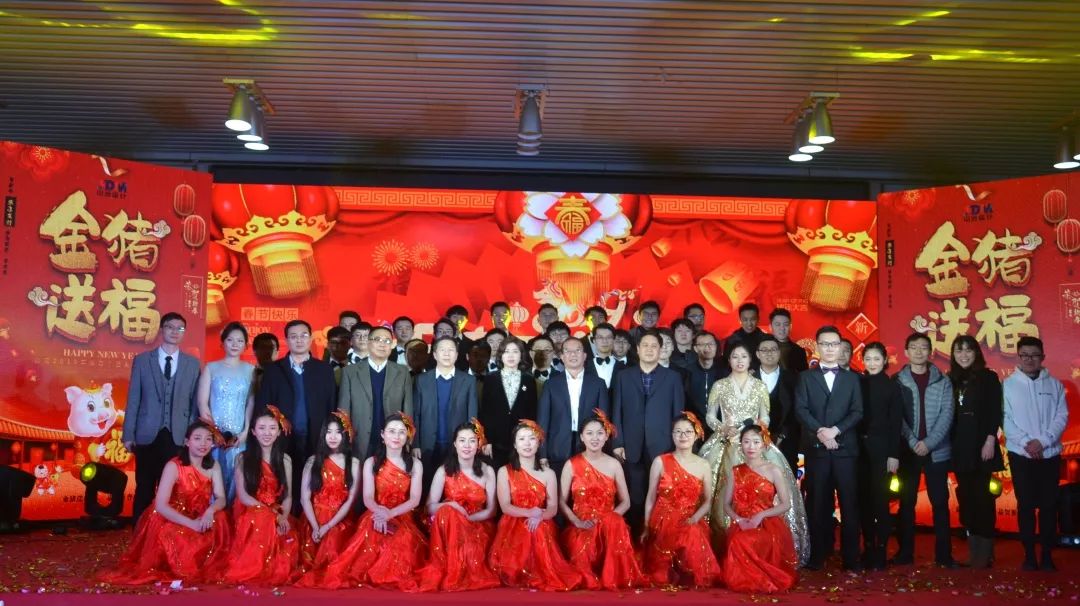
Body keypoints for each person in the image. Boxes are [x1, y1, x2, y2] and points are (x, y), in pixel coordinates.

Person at [698, 342, 808, 563]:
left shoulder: (759, 386)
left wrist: (755, 429)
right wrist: (722, 428)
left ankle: (764, 544)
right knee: (718, 488)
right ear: (728, 360)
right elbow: (710, 415)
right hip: (726, 440)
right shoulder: (720, 385)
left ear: (751, 360)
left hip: (754, 440)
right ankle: (722, 546)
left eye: (744, 357)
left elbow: (765, 416)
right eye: (734, 357)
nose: (739, 361)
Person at [98, 420, 230, 585]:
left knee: (222, 519)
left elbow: (221, 498)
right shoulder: (173, 466)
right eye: (197, 438)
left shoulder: (213, 466)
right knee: (174, 535)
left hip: (200, 514)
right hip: (172, 516)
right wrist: (191, 524)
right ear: (187, 442)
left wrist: (210, 512)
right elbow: (161, 505)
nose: (203, 443)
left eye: (208, 439)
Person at [323, 413, 427, 590]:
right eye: (391, 431)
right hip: (375, 512)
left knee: (402, 542)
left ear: (408, 436)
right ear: (382, 435)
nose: (396, 436)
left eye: (402, 432)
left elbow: (415, 499)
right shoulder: (371, 462)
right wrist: (380, 513)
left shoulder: (416, 464)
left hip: (402, 514)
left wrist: (390, 514)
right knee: (370, 535)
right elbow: (368, 497)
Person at [794, 325, 863, 572]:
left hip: (846, 450)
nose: (830, 348)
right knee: (817, 504)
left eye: (834, 344)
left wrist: (836, 430)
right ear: (817, 346)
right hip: (817, 450)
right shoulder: (805, 377)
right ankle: (818, 555)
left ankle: (851, 557)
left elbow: (858, 411)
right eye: (825, 344)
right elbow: (801, 410)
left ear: (841, 346)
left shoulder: (853, 378)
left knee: (849, 504)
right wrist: (821, 432)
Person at [123, 312, 201, 523]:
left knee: (175, 490)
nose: (175, 332)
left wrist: (192, 436)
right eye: (170, 327)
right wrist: (128, 434)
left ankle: (169, 536)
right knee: (144, 487)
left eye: (180, 328)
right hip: (147, 434)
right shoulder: (142, 361)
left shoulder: (192, 364)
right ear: (161, 330)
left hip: (178, 436)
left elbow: (194, 404)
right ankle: (140, 533)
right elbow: (133, 399)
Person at [488, 420, 583, 591]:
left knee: (538, 529)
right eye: (522, 439)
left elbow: (553, 508)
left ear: (538, 443)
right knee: (526, 529)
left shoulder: (549, 473)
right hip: (513, 521)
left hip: (542, 521)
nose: (527, 443)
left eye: (532, 438)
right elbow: (505, 506)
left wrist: (539, 516)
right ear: (515, 445)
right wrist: (530, 512)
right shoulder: (504, 471)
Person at [256, 319, 336, 514]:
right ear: (286, 340)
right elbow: (264, 405)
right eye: (293, 336)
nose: (299, 340)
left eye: (303, 335)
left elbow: (331, 405)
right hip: (283, 436)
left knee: (313, 482)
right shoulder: (274, 370)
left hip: (316, 434)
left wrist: (330, 435)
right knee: (284, 481)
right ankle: (285, 518)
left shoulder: (324, 369)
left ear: (311, 339)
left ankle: (310, 520)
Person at [558, 410, 645, 590]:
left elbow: (626, 502)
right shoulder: (571, 464)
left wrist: (607, 519)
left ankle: (612, 575)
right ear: (582, 437)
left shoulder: (614, 464)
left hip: (609, 526)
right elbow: (561, 502)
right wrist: (577, 521)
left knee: (616, 524)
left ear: (606, 437)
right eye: (589, 433)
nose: (595, 438)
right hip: (582, 525)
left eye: (599, 433)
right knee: (583, 559)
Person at [892, 332, 957, 568]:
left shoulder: (943, 381)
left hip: (937, 451)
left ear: (930, 352)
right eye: (914, 347)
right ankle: (905, 553)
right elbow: (897, 417)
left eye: (923, 347)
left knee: (940, 502)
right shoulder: (897, 381)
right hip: (908, 451)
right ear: (906, 352)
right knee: (906, 502)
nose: (919, 352)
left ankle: (944, 556)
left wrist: (929, 443)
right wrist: (912, 442)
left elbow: (947, 414)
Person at [1003, 336, 1068, 572]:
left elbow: (1062, 416)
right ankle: (1029, 555)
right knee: (1026, 506)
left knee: (1049, 506)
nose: (1029, 359)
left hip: (1049, 454)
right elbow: (1005, 419)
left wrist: (1043, 441)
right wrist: (1026, 443)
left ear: (1043, 357)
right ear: (1018, 357)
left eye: (1034, 355)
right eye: (1024, 355)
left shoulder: (1055, 385)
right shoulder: (1008, 385)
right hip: (1021, 455)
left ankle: (1047, 555)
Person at [611, 330, 685, 532]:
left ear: (660, 350)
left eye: (654, 346)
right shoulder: (623, 376)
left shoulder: (673, 377)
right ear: (637, 349)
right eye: (645, 345)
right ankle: (635, 538)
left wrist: (677, 445)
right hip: (631, 445)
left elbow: (678, 414)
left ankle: (658, 536)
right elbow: (616, 411)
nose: (650, 349)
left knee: (661, 493)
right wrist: (617, 442)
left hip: (663, 444)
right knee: (634, 494)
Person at [417, 420, 501, 592]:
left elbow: (492, 510)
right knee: (447, 511)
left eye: (472, 441)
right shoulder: (444, 470)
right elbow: (430, 507)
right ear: (455, 444)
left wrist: (467, 519)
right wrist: (453, 506)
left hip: (477, 526)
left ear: (478, 444)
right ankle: (449, 569)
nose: (467, 446)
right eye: (462, 440)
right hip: (448, 527)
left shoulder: (487, 471)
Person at [641, 413, 722, 588]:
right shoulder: (660, 461)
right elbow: (651, 497)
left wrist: (695, 518)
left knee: (691, 533)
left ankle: (686, 573)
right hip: (662, 520)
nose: (683, 436)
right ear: (672, 435)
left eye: (688, 432)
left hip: (690, 519)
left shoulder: (703, 465)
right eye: (678, 431)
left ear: (697, 434)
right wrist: (647, 526)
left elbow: (708, 501)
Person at [223, 407, 301, 585]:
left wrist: (283, 517)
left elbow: (288, 496)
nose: (267, 433)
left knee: (288, 536)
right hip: (250, 509)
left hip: (276, 510)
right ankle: (255, 567)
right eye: (262, 428)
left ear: (279, 432)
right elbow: (243, 495)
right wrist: (272, 515)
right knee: (260, 519)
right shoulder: (242, 458)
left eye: (272, 428)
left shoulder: (285, 460)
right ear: (253, 431)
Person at [947, 336, 1003, 569]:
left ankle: (986, 553)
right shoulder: (951, 379)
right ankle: (974, 552)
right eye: (959, 351)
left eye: (968, 350)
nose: (964, 355)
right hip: (959, 446)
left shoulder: (988, 378)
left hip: (982, 445)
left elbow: (995, 411)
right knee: (966, 498)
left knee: (982, 498)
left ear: (976, 353)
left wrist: (990, 439)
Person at [722, 424, 798, 593]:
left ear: (764, 444)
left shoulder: (774, 470)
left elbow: (786, 504)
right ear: (741, 444)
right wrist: (738, 519)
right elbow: (726, 504)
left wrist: (761, 515)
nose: (751, 447)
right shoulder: (735, 471)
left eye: (756, 442)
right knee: (737, 540)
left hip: (767, 525)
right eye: (746, 442)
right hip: (742, 524)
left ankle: (757, 579)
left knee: (742, 542)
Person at [295, 412, 361, 587]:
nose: (332, 437)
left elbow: (350, 500)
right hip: (313, 518)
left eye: (337, 432)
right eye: (328, 432)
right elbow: (304, 498)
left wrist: (328, 526)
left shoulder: (353, 463)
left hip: (339, 519)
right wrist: (316, 526)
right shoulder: (313, 461)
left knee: (334, 541)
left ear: (345, 435)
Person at [196, 321, 255, 503]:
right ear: (222, 342)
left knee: (237, 483)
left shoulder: (251, 370)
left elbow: (250, 404)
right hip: (214, 438)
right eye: (230, 340)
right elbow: (202, 402)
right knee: (213, 482)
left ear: (245, 345)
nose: (235, 344)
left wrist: (245, 432)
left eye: (240, 341)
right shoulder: (211, 368)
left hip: (239, 438)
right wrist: (213, 433)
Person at [857, 342, 903, 570]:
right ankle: (867, 546)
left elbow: (896, 424)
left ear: (885, 360)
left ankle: (881, 549)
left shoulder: (893, 387)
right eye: (868, 359)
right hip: (859, 449)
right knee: (863, 500)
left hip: (882, 450)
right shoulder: (857, 382)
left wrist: (893, 454)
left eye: (877, 359)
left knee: (880, 500)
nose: (872, 363)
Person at [537, 337, 609, 478]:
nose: (573, 354)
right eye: (568, 351)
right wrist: (542, 453)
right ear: (562, 357)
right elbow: (543, 421)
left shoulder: (598, 383)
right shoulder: (551, 384)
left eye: (577, 350)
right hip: (558, 447)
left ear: (585, 356)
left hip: (590, 447)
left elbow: (604, 420)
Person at [338, 326, 414, 459]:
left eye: (387, 341)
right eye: (377, 339)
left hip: (393, 439)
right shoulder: (350, 372)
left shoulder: (402, 372)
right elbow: (344, 410)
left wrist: (408, 438)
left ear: (392, 345)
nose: (382, 344)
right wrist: (344, 439)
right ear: (368, 342)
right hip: (359, 438)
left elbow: (407, 409)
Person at [414, 337, 478, 490]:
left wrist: (471, 442)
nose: (447, 354)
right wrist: (415, 444)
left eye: (451, 350)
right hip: (428, 444)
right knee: (428, 484)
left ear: (457, 355)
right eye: (442, 350)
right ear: (435, 354)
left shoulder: (468, 380)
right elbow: (416, 414)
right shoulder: (421, 380)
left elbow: (472, 416)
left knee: (454, 485)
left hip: (458, 445)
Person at [478, 338, 538, 469]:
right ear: (501, 355)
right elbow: (485, 412)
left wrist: (529, 438)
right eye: (506, 352)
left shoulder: (529, 380)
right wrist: (487, 440)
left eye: (515, 351)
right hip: (496, 439)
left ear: (521, 355)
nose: (511, 356)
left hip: (521, 440)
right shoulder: (490, 379)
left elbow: (532, 412)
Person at [757, 335, 800, 474]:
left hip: (787, 441)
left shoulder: (794, 378)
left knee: (787, 479)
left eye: (773, 349)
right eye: (764, 350)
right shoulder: (749, 378)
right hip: (755, 442)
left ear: (779, 353)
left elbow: (798, 410)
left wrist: (782, 436)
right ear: (757, 354)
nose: (769, 353)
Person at [685, 331, 724, 436]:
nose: (707, 347)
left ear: (716, 347)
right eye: (702, 344)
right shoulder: (686, 372)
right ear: (695, 348)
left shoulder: (725, 372)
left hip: (720, 428)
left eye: (711, 344)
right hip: (693, 428)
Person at [586, 323, 626, 389]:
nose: (604, 341)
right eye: (600, 337)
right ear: (594, 341)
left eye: (609, 337)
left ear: (614, 340)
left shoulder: (624, 368)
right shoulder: (583, 367)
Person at [769, 308, 809, 373]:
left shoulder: (799, 351)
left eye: (785, 324)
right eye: (777, 324)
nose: (782, 328)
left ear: (790, 327)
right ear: (770, 327)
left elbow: (804, 376)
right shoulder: (762, 348)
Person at [447, 304, 473, 371]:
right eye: (455, 317)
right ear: (448, 319)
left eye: (461, 318)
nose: (458, 321)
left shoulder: (471, 344)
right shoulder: (439, 342)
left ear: (466, 321)